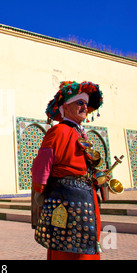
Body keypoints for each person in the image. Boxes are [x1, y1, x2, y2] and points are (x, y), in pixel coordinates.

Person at [31, 81, 106, 260]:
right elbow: (42, 164)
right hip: (65, 201)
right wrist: (39, 193)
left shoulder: (81, 134)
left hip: (86, 199)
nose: (85, 107)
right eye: (80, 103)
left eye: (86, 104)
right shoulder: (58, 131)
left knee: (85, 246)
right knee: (67, 249)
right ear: (66, 107)